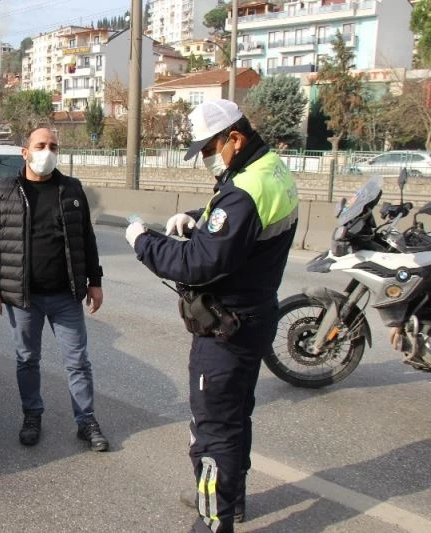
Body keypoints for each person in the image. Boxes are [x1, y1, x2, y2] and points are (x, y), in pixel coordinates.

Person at [124, 99, 299, 532]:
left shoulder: (243, 192)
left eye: (209, 148)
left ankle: (213, 521)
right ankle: (232, 501)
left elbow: (197, 264)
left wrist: (141, 240)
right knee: (237, 417)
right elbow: (236, 231)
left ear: (235, 138)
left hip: (225, 327)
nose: (206, 157)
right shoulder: (270, 169)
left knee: (212, 434)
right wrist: (197, 220)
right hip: (256, 312)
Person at [0, 126, 108, 452]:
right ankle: (32, 416)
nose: (47, 151)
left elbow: (87, 240)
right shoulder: (4, 191)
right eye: (40, 145)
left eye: (53, 146)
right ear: (25, 152)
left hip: (65, 295)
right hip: (23, 299)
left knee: (78, 361)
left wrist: (95, 281)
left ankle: (86, 421)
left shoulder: (71, 189)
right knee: (27, 359)